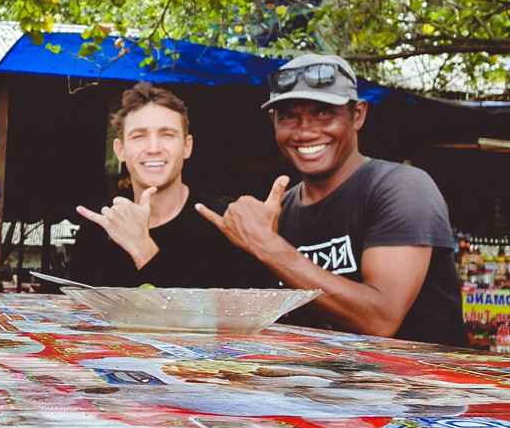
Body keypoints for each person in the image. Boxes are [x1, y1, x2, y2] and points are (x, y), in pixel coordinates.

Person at [197, 53, 468, 346]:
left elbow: (380, 319)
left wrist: (267, 246)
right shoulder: (280, 212)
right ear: (273, 121)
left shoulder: (403, 188)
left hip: (420, 387)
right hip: (322, 388)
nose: (306, 131)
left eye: (323, 112)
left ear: (358, 115)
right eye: (288, 116)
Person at [71, 83, 271, 288]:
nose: (154, 148)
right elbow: (78, 315)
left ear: (187, 146)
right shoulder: (100, 226)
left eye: (167, 134)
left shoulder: (222, 223)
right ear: (120, 150)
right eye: (139, 136)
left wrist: (142, 247)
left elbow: (227, 318)